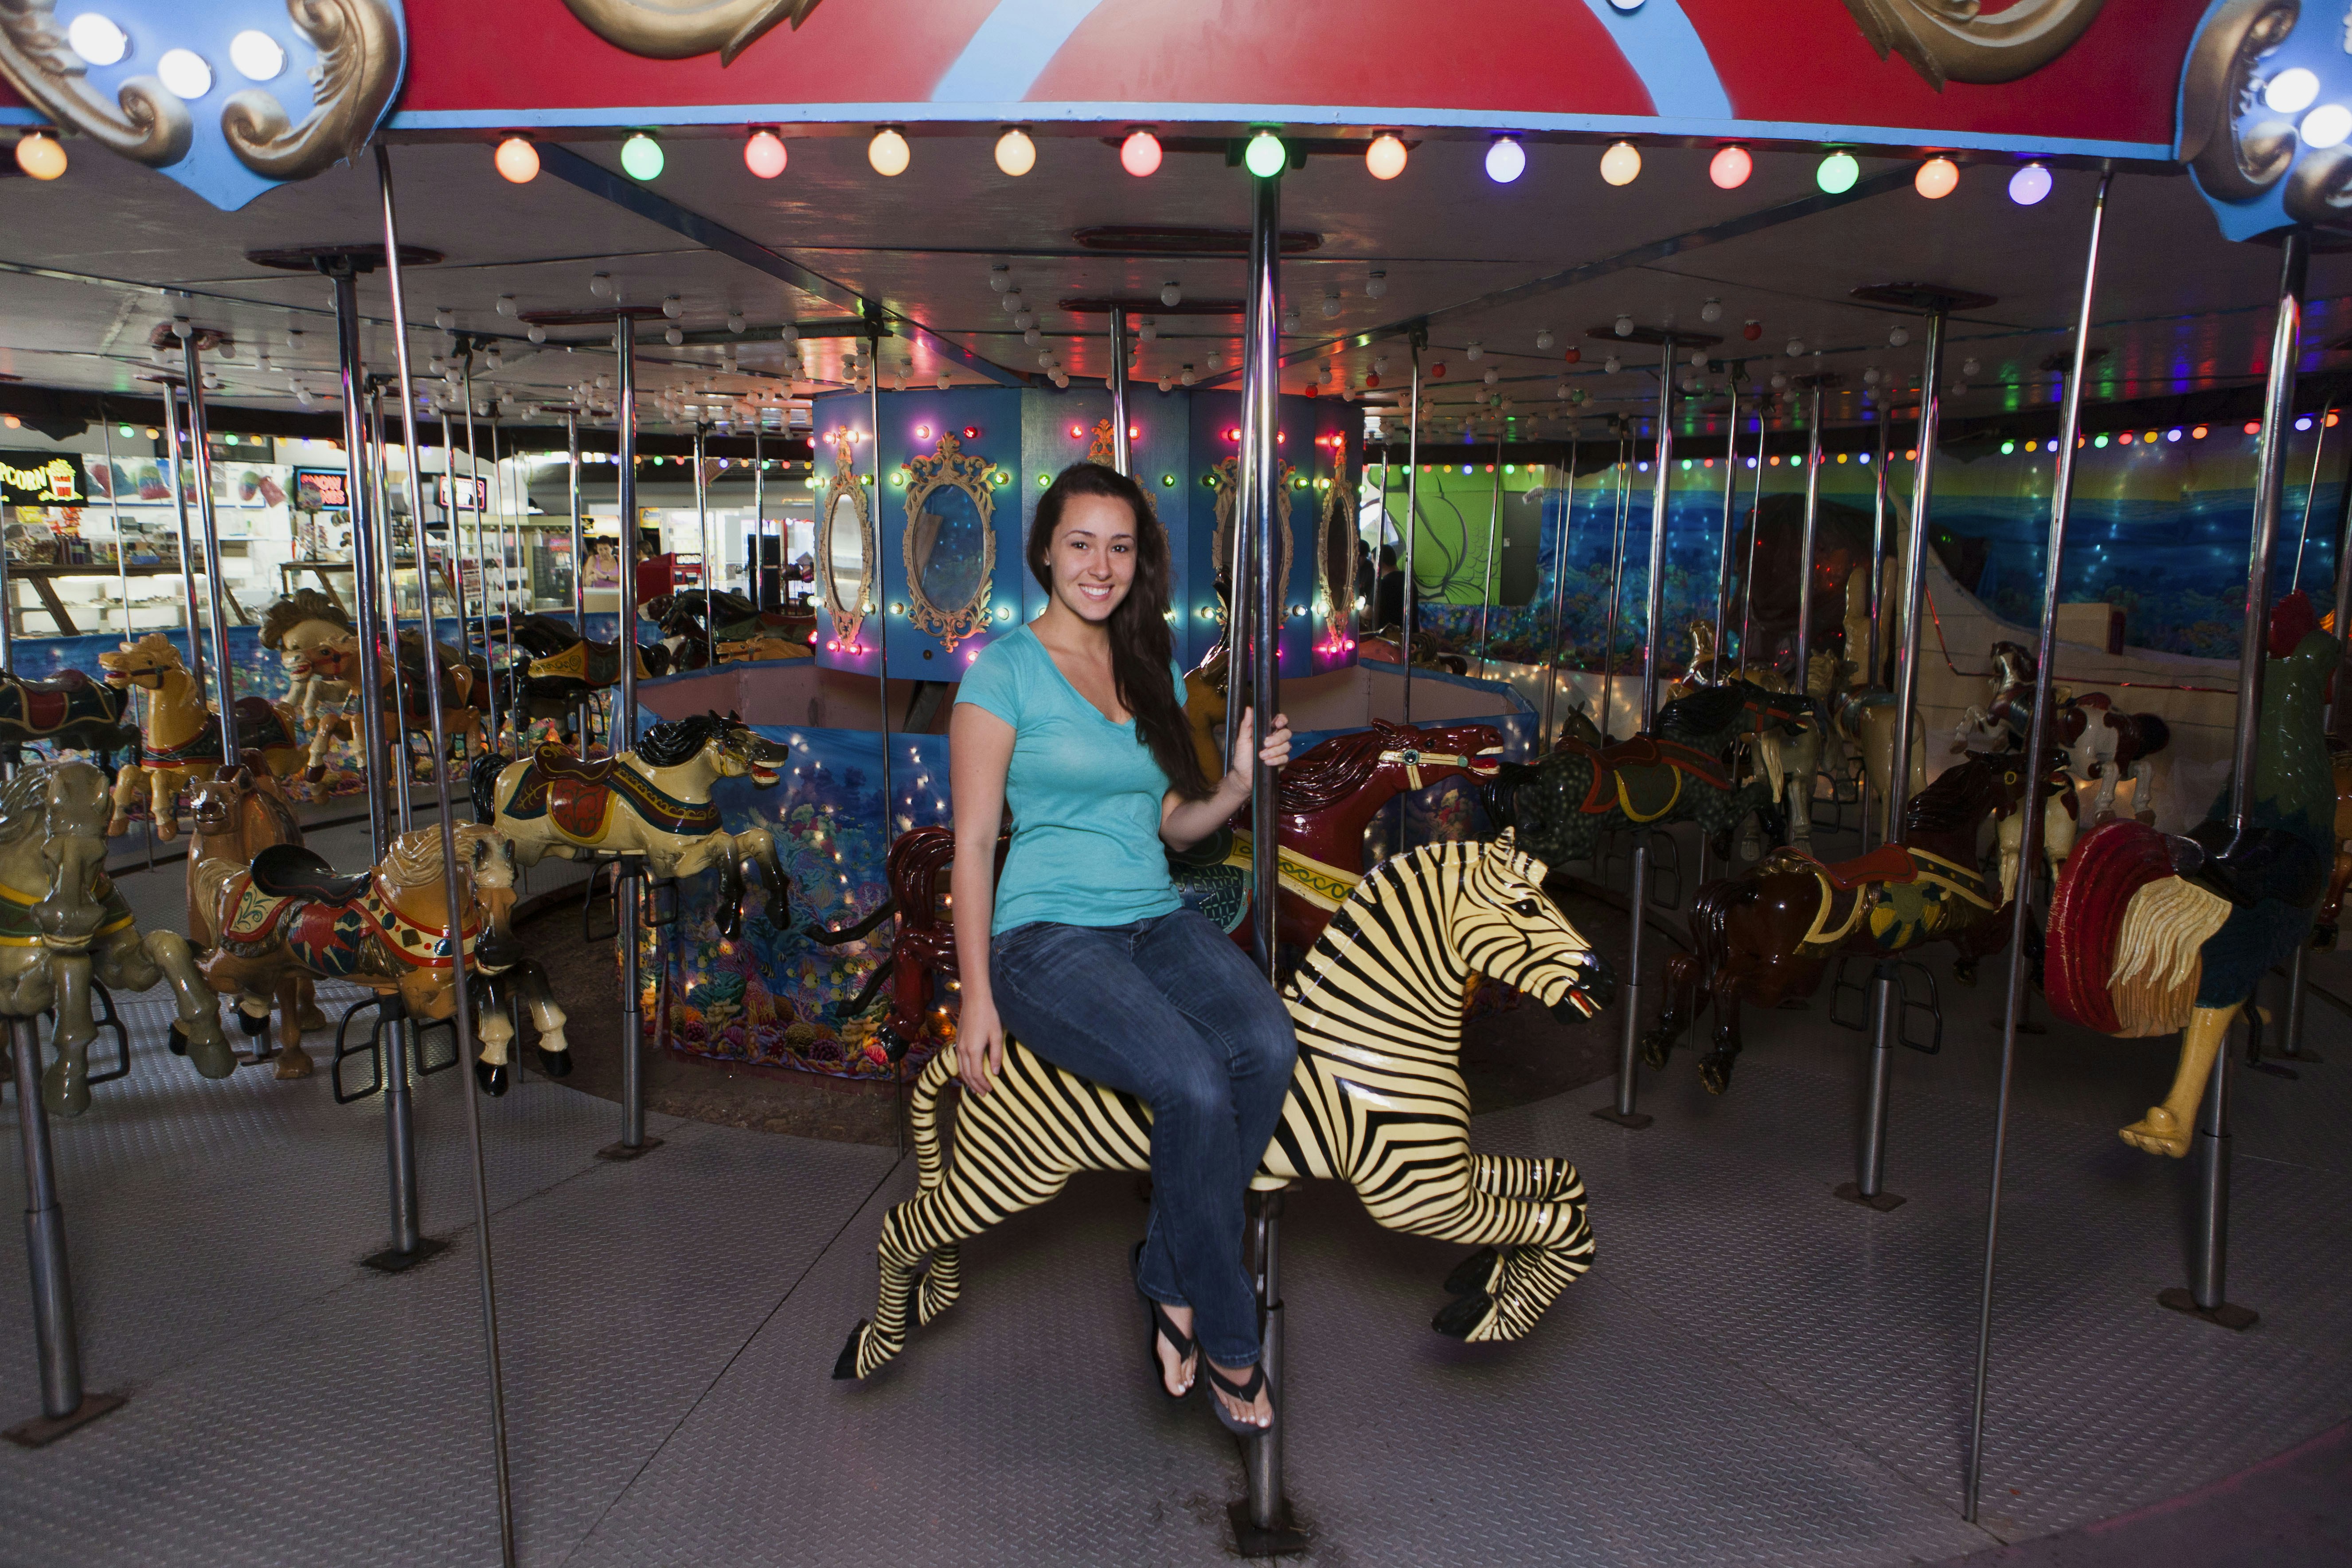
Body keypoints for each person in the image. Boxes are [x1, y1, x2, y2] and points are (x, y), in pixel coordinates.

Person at [950, 462, 1296, 1436]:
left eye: (1120, 545)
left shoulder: (1146, 667)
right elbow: (975, 845)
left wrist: (1231, 787)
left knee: (1267, 1044)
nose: (1099, 565)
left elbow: (1171, 825)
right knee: (1190, 1080)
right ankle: (1229, 1337)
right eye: (1080, 542)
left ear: (1138, 560)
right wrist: (977, 993)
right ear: (1045, 552)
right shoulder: (1003, 671)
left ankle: (1164, 1269)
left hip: (1153, 913)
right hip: (1045, 936)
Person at [1373, 542, 1405, 632]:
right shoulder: (1408, 580)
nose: (1373, 567)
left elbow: (1369, 613)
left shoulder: (1383, 584)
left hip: (1390, 636)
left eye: (1374, 563)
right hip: (1410, 635)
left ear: (1380, 564)